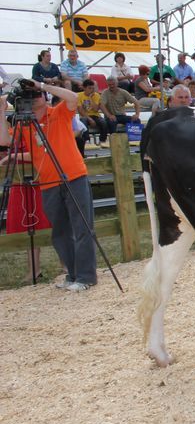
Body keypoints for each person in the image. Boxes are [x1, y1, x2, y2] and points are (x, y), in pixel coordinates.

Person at [5, 80, 97, 290]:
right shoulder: (24, 123)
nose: (34, 97)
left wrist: (42, 85)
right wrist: (2, 111)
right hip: (48, 182)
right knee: (60, 231)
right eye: (30, 94)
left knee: (82, 227)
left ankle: (86, 277)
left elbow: (73, 98)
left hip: (73, 175)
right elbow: (5, 140)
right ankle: (73, 275)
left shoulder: (57, 113)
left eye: (36, 94)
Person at [0, 94, 52, 282]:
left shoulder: (42, 123)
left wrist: (16, 157)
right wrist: (2, 111)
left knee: (50, 222)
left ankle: (66, 264)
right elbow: (5, 142)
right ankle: (33, 270)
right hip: (21, 182)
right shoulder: (20, 126)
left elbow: (43, 152)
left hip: (41, 179)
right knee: (26, 222)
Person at [76, 79, 109, 147]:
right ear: (84, 88)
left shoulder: (96, 95)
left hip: (95, 115)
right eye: (89, 88)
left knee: (103, 122)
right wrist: (89, 119)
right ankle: (87, 140)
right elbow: (80, 111)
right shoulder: (79, 95)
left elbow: (96, 109)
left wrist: (90, 99)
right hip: (84, 116)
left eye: (93, 88)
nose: (91, 90)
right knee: (83, 122)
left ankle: (102, 140)